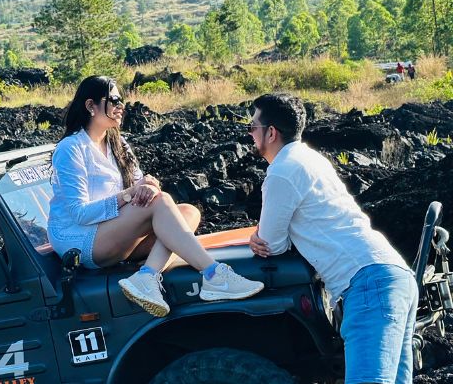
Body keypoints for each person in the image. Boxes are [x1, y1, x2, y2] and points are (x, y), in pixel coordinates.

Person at [48, 75, 264, 317]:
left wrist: (148, 184)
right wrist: (130, 194)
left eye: (123, 100)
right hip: (81, 240)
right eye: (115, 99)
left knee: (189, 212)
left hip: (112, 229)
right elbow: (80, 213)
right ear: (90, 106)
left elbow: (139, 183)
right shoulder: (70, 149)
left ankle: (148, 275)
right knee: (159, 202)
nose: (122, 106)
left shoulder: (117, 143)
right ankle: (214, 274)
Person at [247, 93, 417, 384]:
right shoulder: (310, 157)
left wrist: (255, 236)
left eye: (252, 127)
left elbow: (271, 245)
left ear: (271, 132)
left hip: (367, 284)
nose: (250, 134)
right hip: (391, 274)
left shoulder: (281, 172)